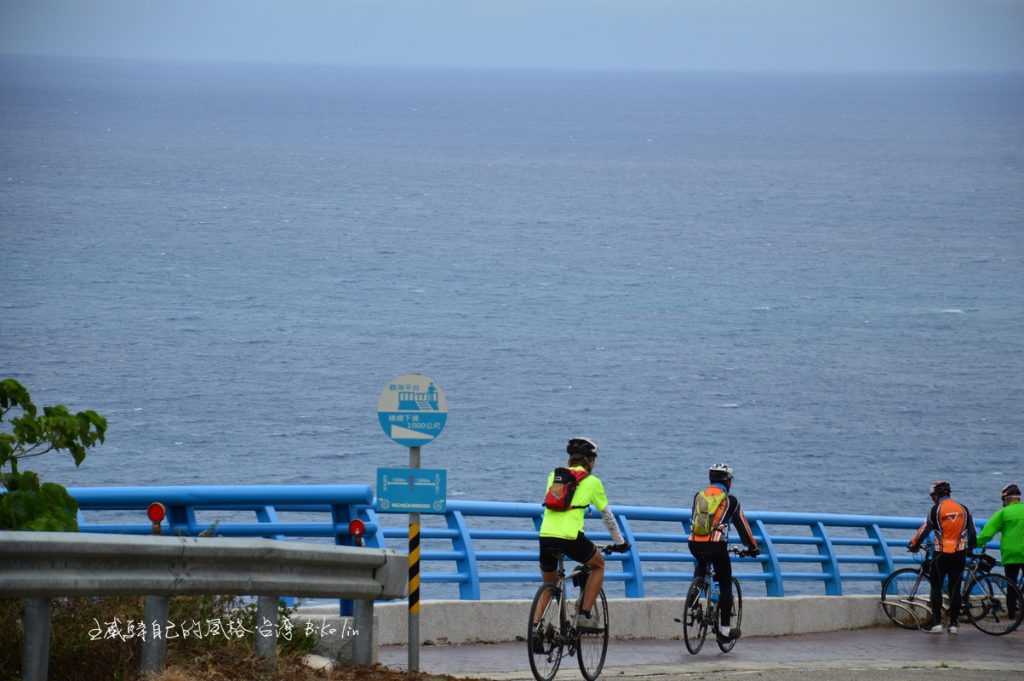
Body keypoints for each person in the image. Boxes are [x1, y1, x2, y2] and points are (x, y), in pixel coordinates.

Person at [534, 437, 629, 642]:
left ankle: (535, 629)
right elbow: (607, 516)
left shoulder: (554, 476)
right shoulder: (592, 482)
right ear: (590, 460)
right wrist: (620, 542)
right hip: (569, 537)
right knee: (598, 565)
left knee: (549, 585)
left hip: (545, 535)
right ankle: (584, 614)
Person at [687, 463, 760, 641]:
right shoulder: (730, 501)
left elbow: (694, 520)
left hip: (694, 543)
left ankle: (694, 597)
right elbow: (743, 527)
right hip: (716, 544)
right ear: (728, 481)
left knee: (702, 567)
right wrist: (753, 547)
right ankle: (725, 632)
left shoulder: (699, 496)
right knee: (725, 582)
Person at [907, 480, 977, 635]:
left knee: (936, 586)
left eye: (932, 496)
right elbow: (972, 533)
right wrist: (970, 548)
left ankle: (937, 624)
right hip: (959, 553)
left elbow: (924, 530)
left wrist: (913, 545)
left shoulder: (935, 510)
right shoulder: (963, 509)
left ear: (936, 495)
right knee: (955, 588)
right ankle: (953, 625)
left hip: (941, 553)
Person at [976, 483, 1023, 620]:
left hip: (1011, 554)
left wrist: (975, 543)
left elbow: (987, 534)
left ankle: (1012, 616)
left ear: (1006, 499)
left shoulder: (1003, 513)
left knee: (1011, 584)